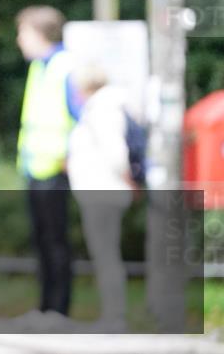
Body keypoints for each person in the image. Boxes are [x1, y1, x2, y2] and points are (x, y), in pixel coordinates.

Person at [14, 6, 80, 326]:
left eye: (23, 32)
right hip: (36, 168)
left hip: (56, 168)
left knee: (56, 242)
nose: (19, 40)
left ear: (40, 34)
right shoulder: (40, 67)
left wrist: (70, 157)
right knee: (41, 240)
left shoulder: (65, 67)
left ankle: (59, 311)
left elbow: (80, 117)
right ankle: (44, 309)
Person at [68, 63, 134, 331]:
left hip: (102, 192)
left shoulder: (102, 109)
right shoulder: (104, 107)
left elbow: (115, 152)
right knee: (106, 254)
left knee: (106, 255)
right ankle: (112, 315)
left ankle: (114, 317)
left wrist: (126, 177)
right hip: (102, 191)